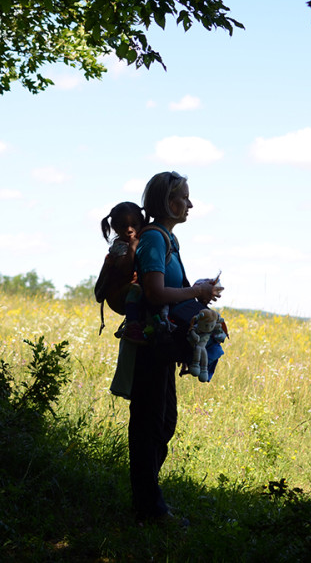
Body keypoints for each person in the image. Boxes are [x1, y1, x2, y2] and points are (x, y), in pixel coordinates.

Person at [129, 171, 223, 526]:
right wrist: (196, 293)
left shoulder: (167, 240)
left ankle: (149, 504)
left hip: (162, 344)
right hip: (151, 344)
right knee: (150, 426)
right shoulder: (155, 239)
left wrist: (196, 290)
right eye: (184, 197)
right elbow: (154, 293)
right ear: (169, 202)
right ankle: (149, 510)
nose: (190, 204)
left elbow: (172, 290)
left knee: (162, 422)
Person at [99, 201, 146, 340]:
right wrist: (132, 249)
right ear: (115, 227)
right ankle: (131, 325)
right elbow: (125, 271)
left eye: (135, 225)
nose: (130, 229)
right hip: (118, 295)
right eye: (124, 226)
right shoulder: (120, 246)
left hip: (125, 293)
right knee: (136, 289)